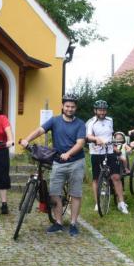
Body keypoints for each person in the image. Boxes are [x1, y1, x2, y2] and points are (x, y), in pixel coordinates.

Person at [20, 94, 86, 237]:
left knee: (75, 193)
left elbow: (80, 143)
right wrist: (26, 139)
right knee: (54, 192)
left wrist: (68, 153)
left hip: (76, 162)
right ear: (62, 106)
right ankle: (58, 222)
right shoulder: (55, 121)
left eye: (72, 107)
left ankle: (74, 223)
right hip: (58, 162)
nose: (69, 109)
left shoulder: (80, 124)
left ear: (76, 108)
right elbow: (39, 130)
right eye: (67, 106)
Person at [85, 100, 129, 214]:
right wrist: (96, 139)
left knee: (116, 177)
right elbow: (88, 136)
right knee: (96, 179)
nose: (102, 112)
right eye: (100, 110)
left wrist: (114, 146)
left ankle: (121, 203)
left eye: (104, 110)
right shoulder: (91, 122)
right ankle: (97, 203)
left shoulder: (110, 120)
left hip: (109, 152)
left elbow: (110, 134)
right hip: (96, 153)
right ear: (95, 110)